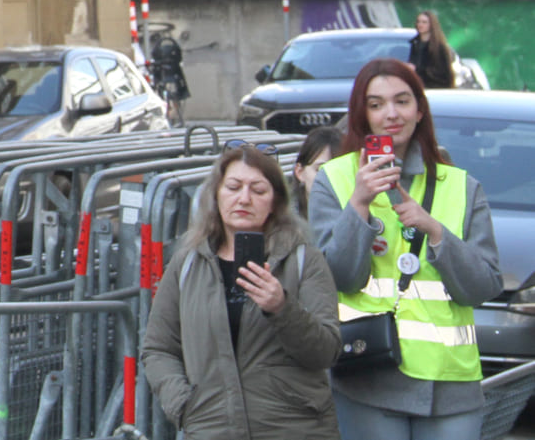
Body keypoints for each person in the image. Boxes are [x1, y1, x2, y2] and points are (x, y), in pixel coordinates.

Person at [308, 58, 502, 440]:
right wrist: (359, 205)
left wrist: (434, 230)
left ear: (420, 110)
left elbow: (483, 286)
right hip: (369, 374)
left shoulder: (461, 185)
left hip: (450, 383)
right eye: (376, 104)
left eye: (402, 101)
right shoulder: (334, 179)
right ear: (361, 115)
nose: (391, 114)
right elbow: (340, 278)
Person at [141, 142, 342, 440]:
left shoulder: (302, 259)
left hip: (293, 429)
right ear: (216, 195)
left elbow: (326, 351)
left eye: (258, 190)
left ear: (274, 201)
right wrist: (184, 404)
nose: (244, 199)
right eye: (233, 187)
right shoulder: (189, 262)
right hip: (212, 427)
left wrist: (282, 308)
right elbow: (158, 347)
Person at [291, 125, 343, 219]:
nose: (329, 179)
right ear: (299, 172)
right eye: (320, 170)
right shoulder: (283, 219)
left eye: (339, 171)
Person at [408, 9, 456, 89]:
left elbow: (443, 73)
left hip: (435, 89)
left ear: (431, 25)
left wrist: (417, 69)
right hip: (417, 87)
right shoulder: (415, 44)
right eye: (418, 22)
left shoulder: (439, 47)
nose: (420, 25)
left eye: (424, 22)